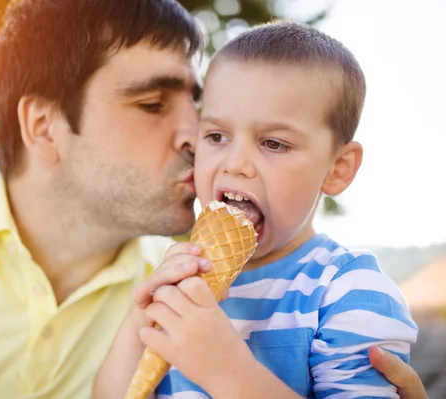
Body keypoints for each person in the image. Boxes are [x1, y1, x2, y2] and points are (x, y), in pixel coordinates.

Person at [0, 0, 430, 398]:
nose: (195, 137)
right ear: (44, 127)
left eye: (197, 108)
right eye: (153, 104)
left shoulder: (179, 277)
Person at [93, 21, 420, 399]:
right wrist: (141, 318)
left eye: (274, 143)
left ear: (337, 169)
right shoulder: (179, 278)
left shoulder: (348, 291)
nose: (236, 163)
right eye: (217, 136)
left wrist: (226, 370)